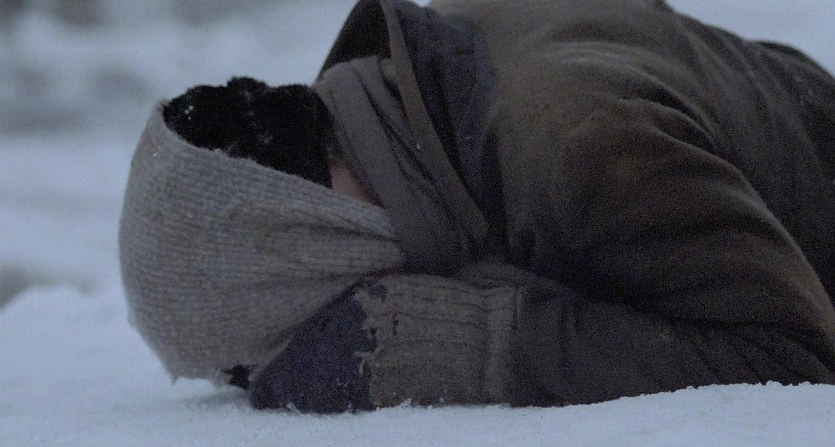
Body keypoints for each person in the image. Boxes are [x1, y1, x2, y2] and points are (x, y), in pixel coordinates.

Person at [120, 0, 835, 413]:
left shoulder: (579, 151)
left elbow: (795, 360)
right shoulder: (435, 65)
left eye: (288, 337)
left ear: (313, 232)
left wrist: (482, 345)